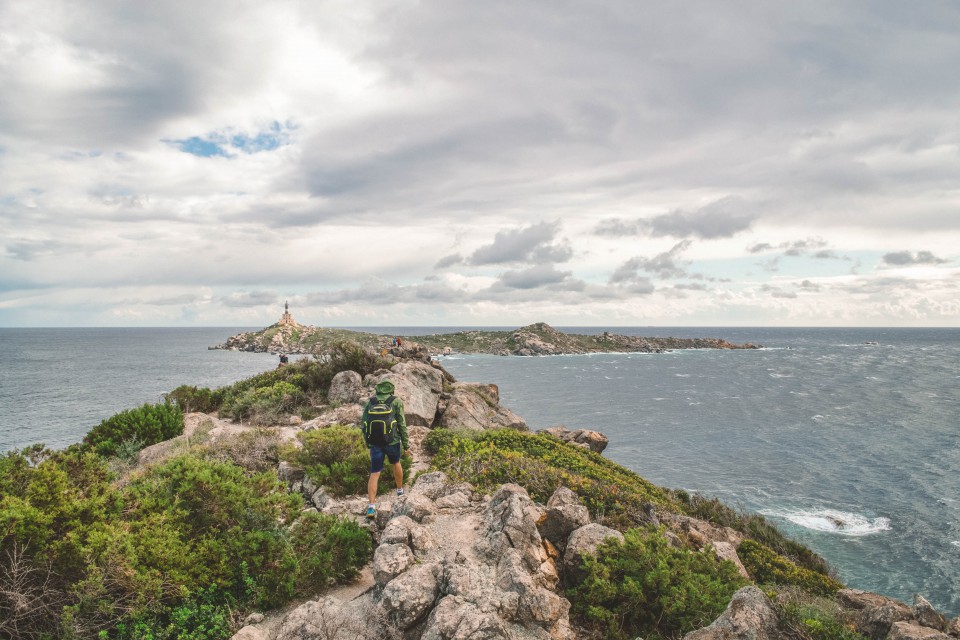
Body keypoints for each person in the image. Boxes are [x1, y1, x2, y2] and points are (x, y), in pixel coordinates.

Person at [361, 379, 409, 519]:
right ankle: (400, 491)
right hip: (392, 441)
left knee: (374, 472)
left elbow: (364, 424)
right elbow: (402, 424)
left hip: (375, 443)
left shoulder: (370, 402)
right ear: (391, 389)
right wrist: (406, 444)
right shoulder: (396, 401)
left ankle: (371, 507)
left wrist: (368, 442)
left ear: (378, 389)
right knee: (396, 463)